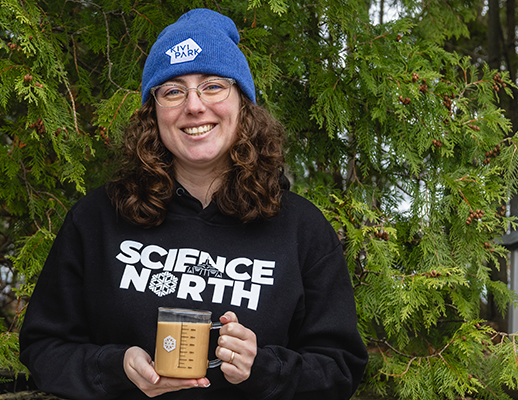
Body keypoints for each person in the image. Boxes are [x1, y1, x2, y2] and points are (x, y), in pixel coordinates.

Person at [19, 8, 368, 400]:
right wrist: (116, 368)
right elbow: (43, 348)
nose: (194, 106)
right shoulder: (98, 218)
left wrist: (263, 369)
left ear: (243, 103)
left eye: (214, 86)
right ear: (153, 113)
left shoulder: (300, 228)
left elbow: (340, 368)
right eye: (173, 90)